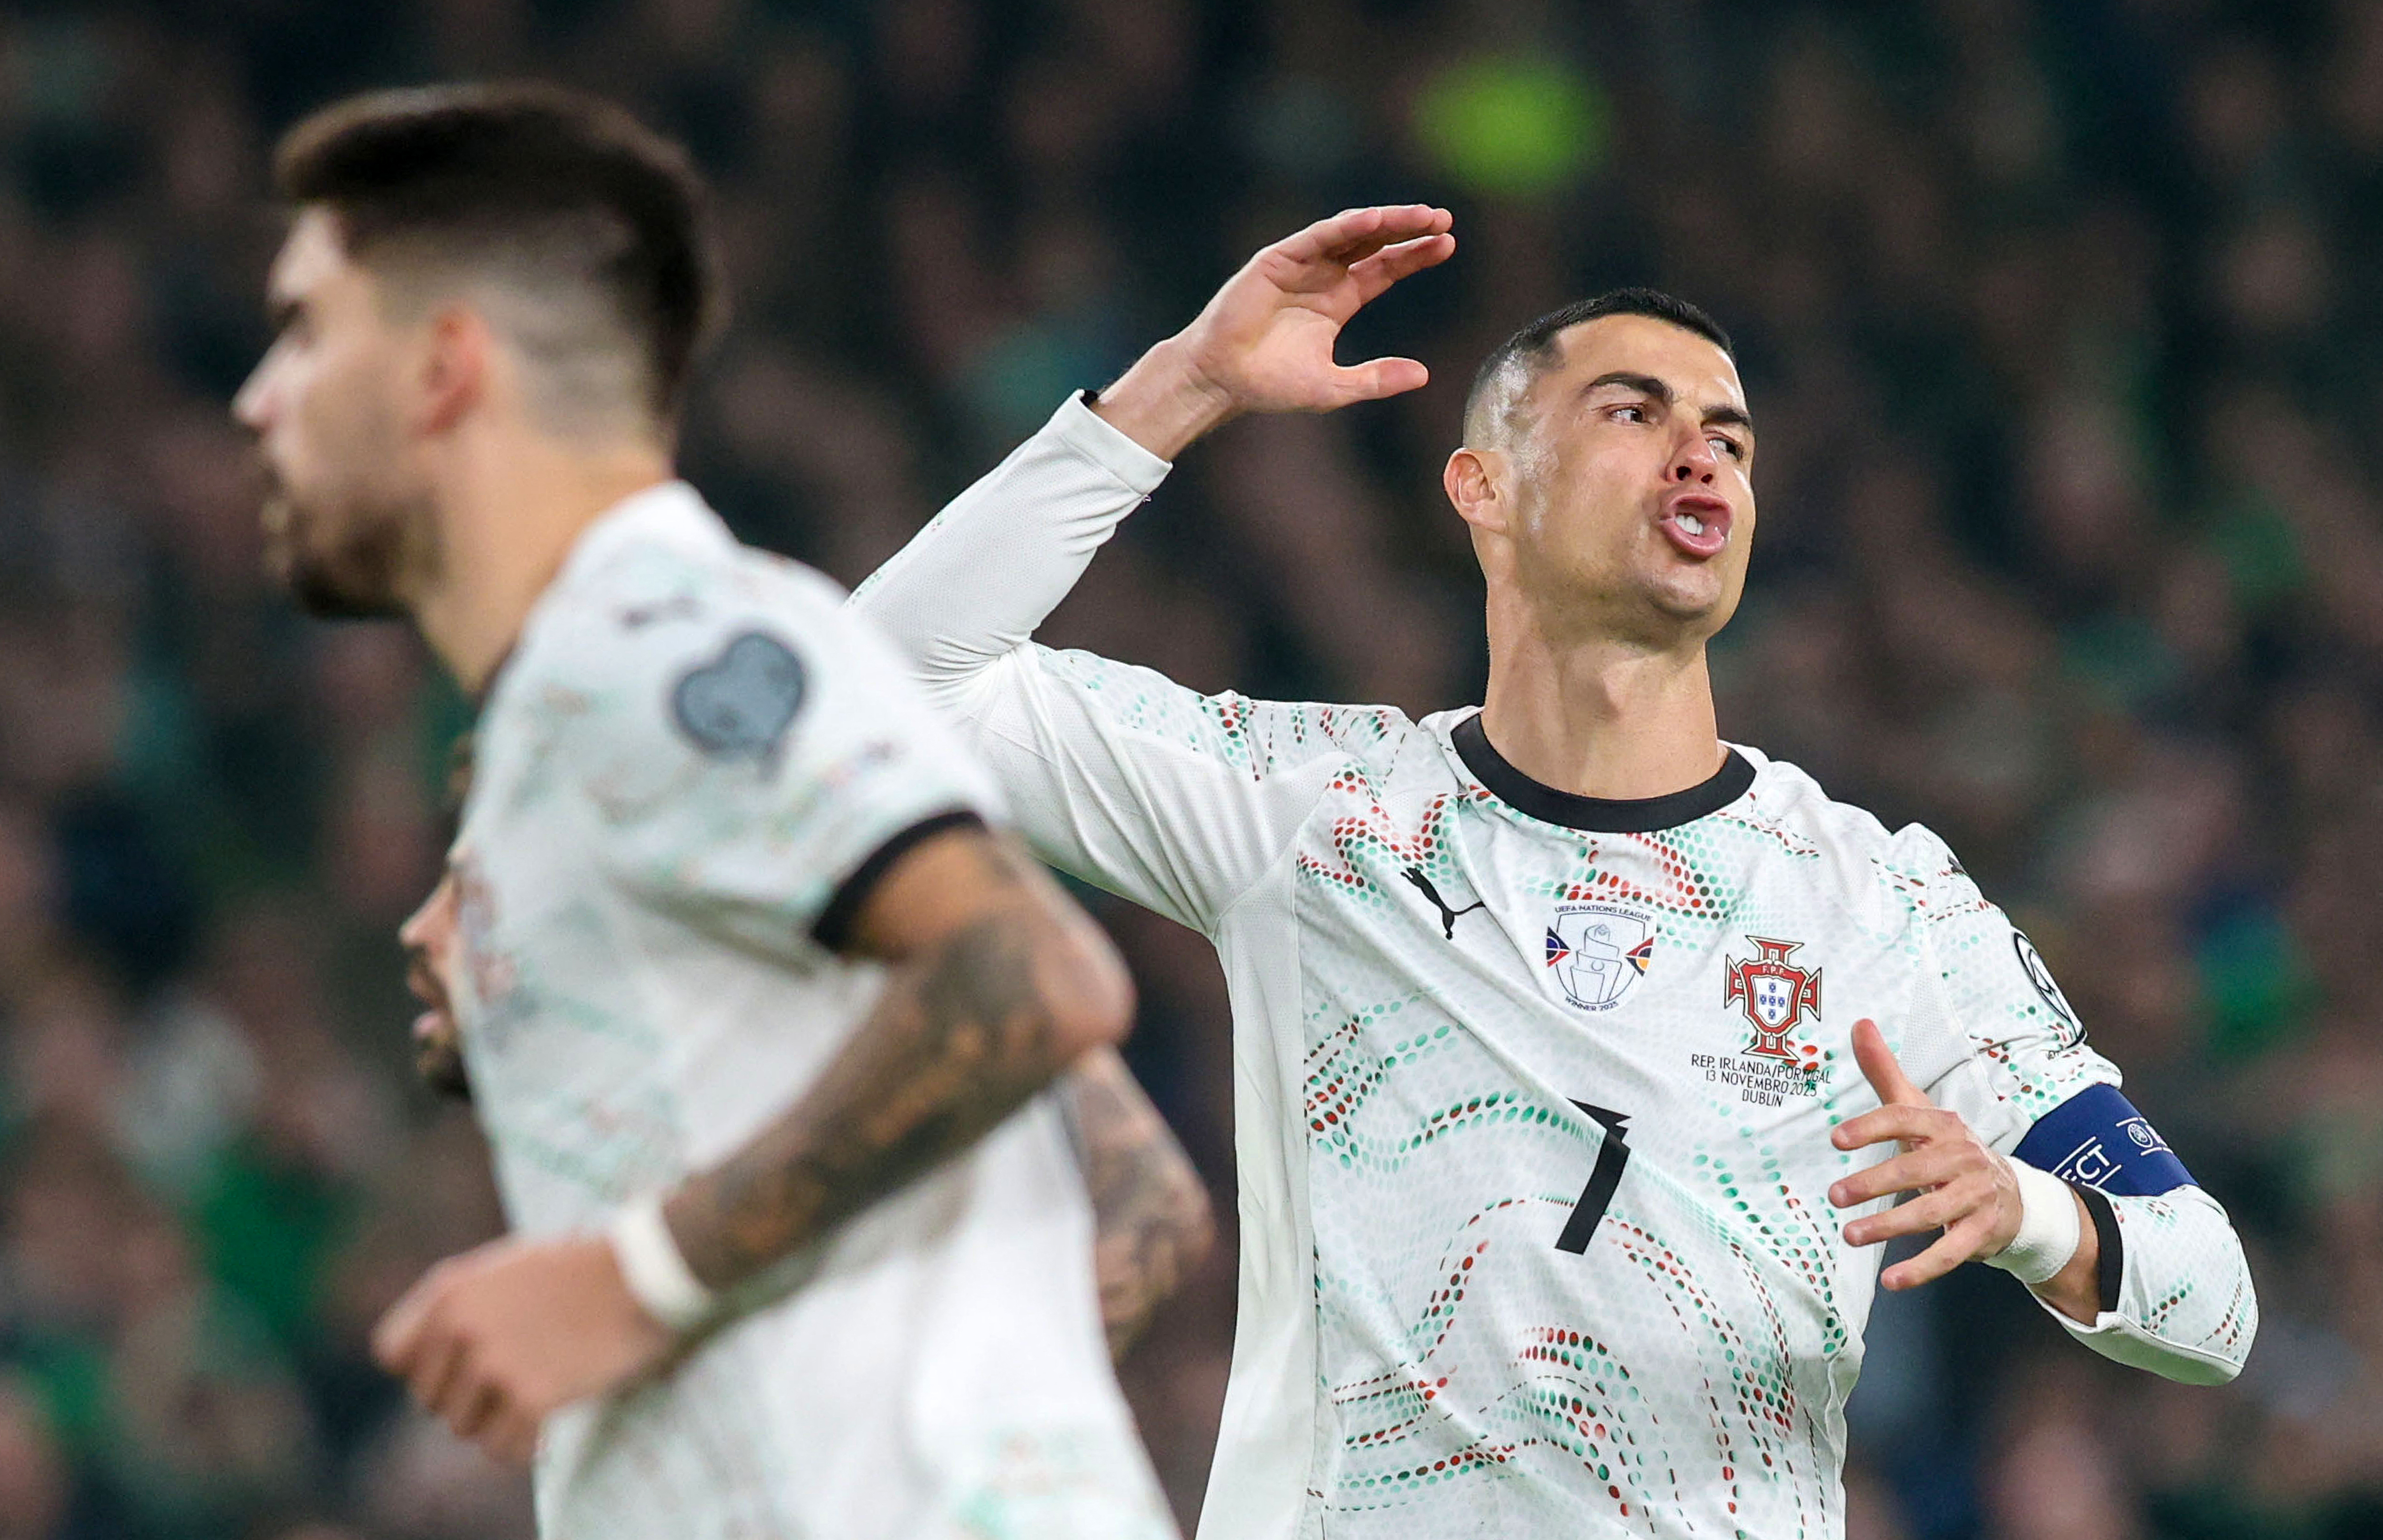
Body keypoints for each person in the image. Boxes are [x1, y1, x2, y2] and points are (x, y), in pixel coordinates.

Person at [851, 205, 2259, 1537]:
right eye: (1633, 414)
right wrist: (1183, 388)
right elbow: (890, 682)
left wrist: (2024, 1212)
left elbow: (2213, 1303)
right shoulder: (1313, 815)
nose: (1700, 455)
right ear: (1484, 487)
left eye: (1731, 437)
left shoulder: (1875, 901)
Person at [233, 82, 1182, 1539]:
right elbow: (1138, 1194)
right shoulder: (586, 696)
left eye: (305, 332)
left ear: (443, 368)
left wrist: (636, 1282)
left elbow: (1034, 977)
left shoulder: (661, 642)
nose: (261, 397)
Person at [397, 780, 1215, 1360]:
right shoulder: (595, 1164)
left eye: (471, 895)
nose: (418, 930)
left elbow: (1149, 1206)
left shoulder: (791, 1080)